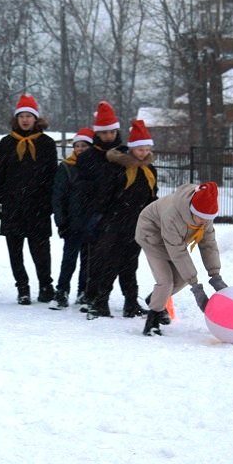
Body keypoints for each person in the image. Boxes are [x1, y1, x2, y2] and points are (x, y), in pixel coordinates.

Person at [84, 119, 158, 320]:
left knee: (130, 265)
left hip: (137, 225)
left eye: (146, 149)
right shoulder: (118, 168)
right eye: (140, 149)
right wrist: (104, 218)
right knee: (110, 264)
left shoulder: (150, 171)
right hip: (115, 223)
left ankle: (131, 303)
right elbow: (105, 195)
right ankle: (100, 302)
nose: (143, 153)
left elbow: (152, 198)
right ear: (132, 149)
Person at [135, 181, 228, 336]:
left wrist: (215, 275)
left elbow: (208, 245)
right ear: (192, 210)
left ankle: (155, 298)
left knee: (182, 279)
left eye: (208, 219)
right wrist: (197, 289)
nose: (204, 222)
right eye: (201, 218)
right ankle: (153, 320)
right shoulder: (173, 216)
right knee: (166, 281)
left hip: (173, 239)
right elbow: (178, 253)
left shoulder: (204, 215)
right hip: (151, 234)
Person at [0, 94, 57, 305]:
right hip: (13, 206)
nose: (25, 120)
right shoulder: (6, 143)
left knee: (41, 250)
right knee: (15, 251)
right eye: (22, 116)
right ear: (16, 119)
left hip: (38, 206)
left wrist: (49, 203)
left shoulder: (46, 143)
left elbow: (52, 175)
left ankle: (46, 285)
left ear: (36, 119)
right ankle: (22, 287)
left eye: (29, 116)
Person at [76, 100, 124, 315]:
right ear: (98, 133)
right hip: (96, 214)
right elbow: (82, 188)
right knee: (95, 259)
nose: (108, 137)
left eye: (112, 132)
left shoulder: (125, 154)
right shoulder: (87, 157)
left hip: (120, 212)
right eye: (104, 133)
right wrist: (90, 211)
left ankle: (120, 297)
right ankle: (92, 295)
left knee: (118, 260)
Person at [50, 127, 93, 310]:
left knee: (88, 260)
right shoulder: (66, 167)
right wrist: (61, 221)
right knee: (68, 259)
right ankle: (62, 291)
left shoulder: (96, 168)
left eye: (84, 146)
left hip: (91, 223)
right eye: (77, 146)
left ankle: (83, 291)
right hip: (72, 222)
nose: (80, 149)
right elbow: (58, 197)